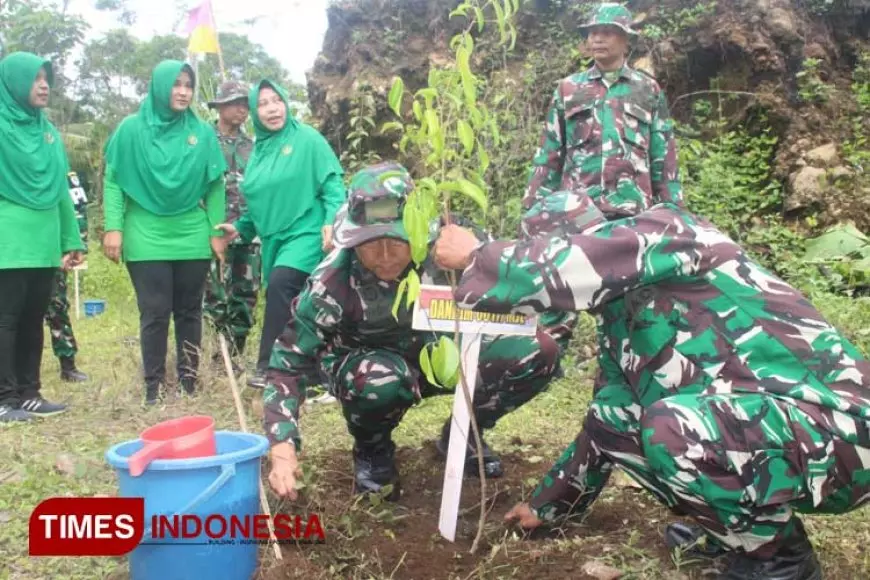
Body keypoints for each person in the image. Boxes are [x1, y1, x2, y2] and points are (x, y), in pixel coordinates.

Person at [432, 187, 870, 580]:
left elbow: (563, 266)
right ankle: (738, 535)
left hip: (844, 435)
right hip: (785, 439)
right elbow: (606, 419)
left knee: (672, 428)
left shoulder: (672, 233)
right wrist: (550, 505)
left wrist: (478, 256)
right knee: (617, 418)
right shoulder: (618, 318)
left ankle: (782, 560)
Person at [263, 162, 563, 501]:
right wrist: (283, 446)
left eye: (399, 240)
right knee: (377, 379)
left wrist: (477, 259)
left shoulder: (451, 250)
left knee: (537, 350)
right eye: (372, 244)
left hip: (445, 357)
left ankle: (464, 435)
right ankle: (373, 452)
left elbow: (528, 285)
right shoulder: (333, 282)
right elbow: (287, 363)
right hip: (374, 370)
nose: (387, 255)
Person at [102, 59, 228, 405]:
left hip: (191, 231)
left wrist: (216, 231)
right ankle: (153, 387)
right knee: (155, 312)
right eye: (177, 84)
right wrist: (113, 227)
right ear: (160, 87)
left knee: (190, 310)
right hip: (145, 232)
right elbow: (114, 182)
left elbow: (215, 184)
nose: (184, 91)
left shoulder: (201, 132)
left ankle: (189, 382)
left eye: (188, 85)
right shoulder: (130, 129)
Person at [216, 79, 346, 389]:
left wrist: (332, 222)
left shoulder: (307, 139)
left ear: (286, 102)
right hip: (276, 238)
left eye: (276, 100)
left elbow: (333, 186)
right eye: (262, 104)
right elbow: (262, 202)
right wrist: (240, 227)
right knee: (299, 302)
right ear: (253, 112)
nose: (272, 108)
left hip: (309, 230)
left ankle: (269, 367)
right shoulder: (259, 150)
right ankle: (311, 370)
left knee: (281, 284)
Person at [525, 2, 683, 219]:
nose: (597, 39)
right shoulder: (568, 89)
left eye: (607, 32)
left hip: (633, 214)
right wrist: (534, 212)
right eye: (593, 33)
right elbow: (549, 156)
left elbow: (663, 160)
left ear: (626, 39)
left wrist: (673, 213)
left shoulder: (648, 90)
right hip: (577, 214)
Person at [0, 52, 84, 423]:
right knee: (6, 320)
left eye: (46, 77)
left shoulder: (47, 131)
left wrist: (72, 239)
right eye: (34, 78)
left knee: (34, 318)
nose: (44, 84)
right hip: (9, 240)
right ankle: (4, 399)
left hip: (44, 240)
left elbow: (60, 189)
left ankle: (29, 393)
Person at [202, 81, 260, 373]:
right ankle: (214, 356)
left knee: (245, 295)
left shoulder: (254, 146)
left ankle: (232, 356)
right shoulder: (202, 140)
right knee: (214, 296)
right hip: (213, 231)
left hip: (248, 232)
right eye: (235, 102)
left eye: (245, 104)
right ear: (220, 105)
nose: (241, 109)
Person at [44, 170, 90, 383]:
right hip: (13, 249)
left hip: (51, 248)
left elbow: (78, 206)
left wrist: (76, 244)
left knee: (57, 307)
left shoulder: (59, 167)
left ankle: (67, 364)